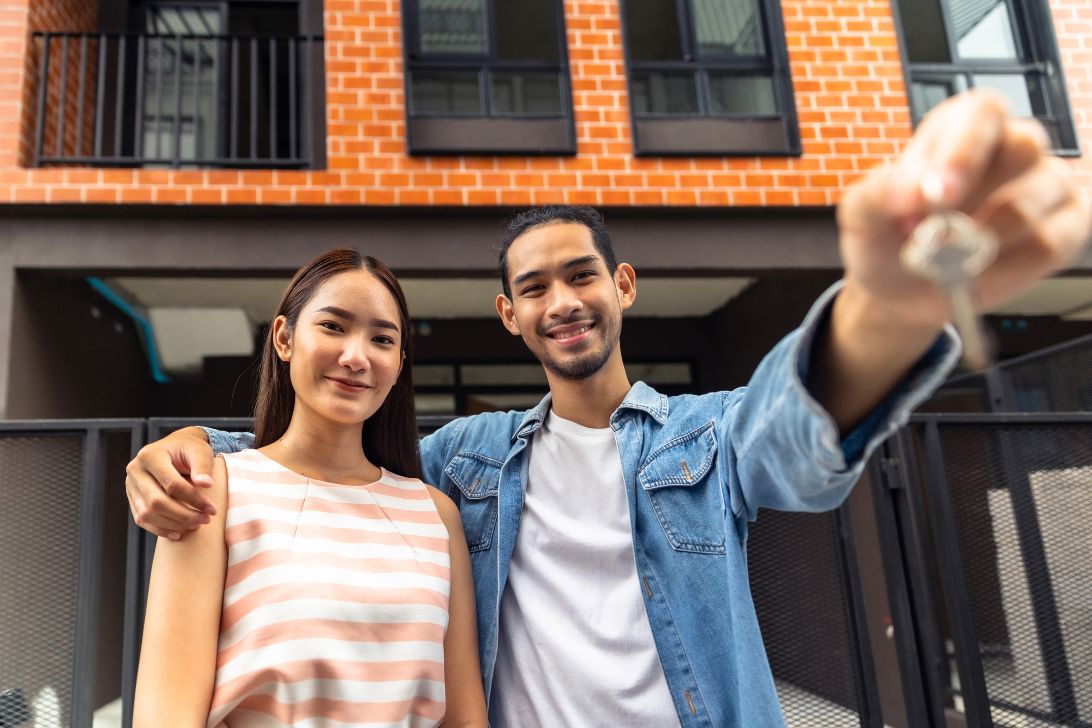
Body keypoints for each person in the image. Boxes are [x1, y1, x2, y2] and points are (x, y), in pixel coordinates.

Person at [126, 92, 1091, 727]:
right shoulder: (468, 461)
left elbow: (794, 436)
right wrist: (185, 449)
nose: (564, 303)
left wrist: (887, 309)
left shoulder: (703, 438)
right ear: (510, 316)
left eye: (582, 275)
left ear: (623, 285)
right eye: (535, 288)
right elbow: (328, 462)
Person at [132, 250, 487, 727]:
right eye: (333, 326)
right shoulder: (215, 490)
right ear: (284, 338)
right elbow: (166, 717)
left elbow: (465, 719)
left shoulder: (436, 515)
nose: (356, 356)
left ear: (399, 363)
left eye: (381, 339)